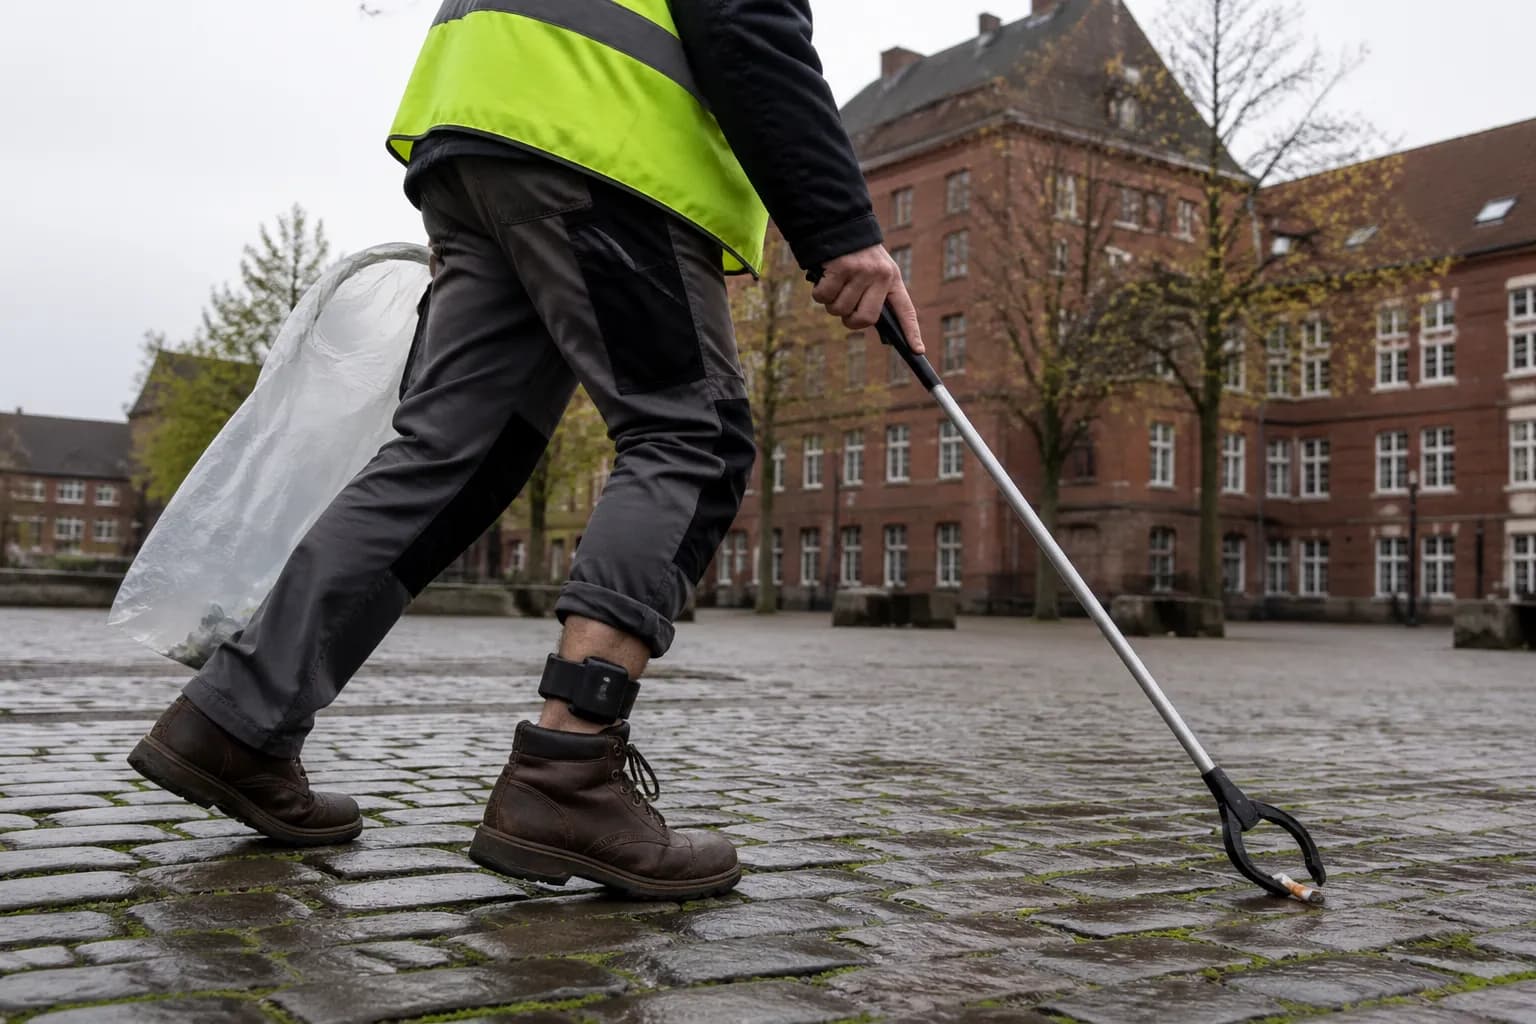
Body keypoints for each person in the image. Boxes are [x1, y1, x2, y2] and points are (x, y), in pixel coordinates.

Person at [127, 0, 923, 900]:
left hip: (476, 127)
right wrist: (841, 228)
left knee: (450, 458)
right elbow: (742, 17)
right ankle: (568, 770)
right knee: (687, 435)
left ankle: (237, 717)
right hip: (603, 134)